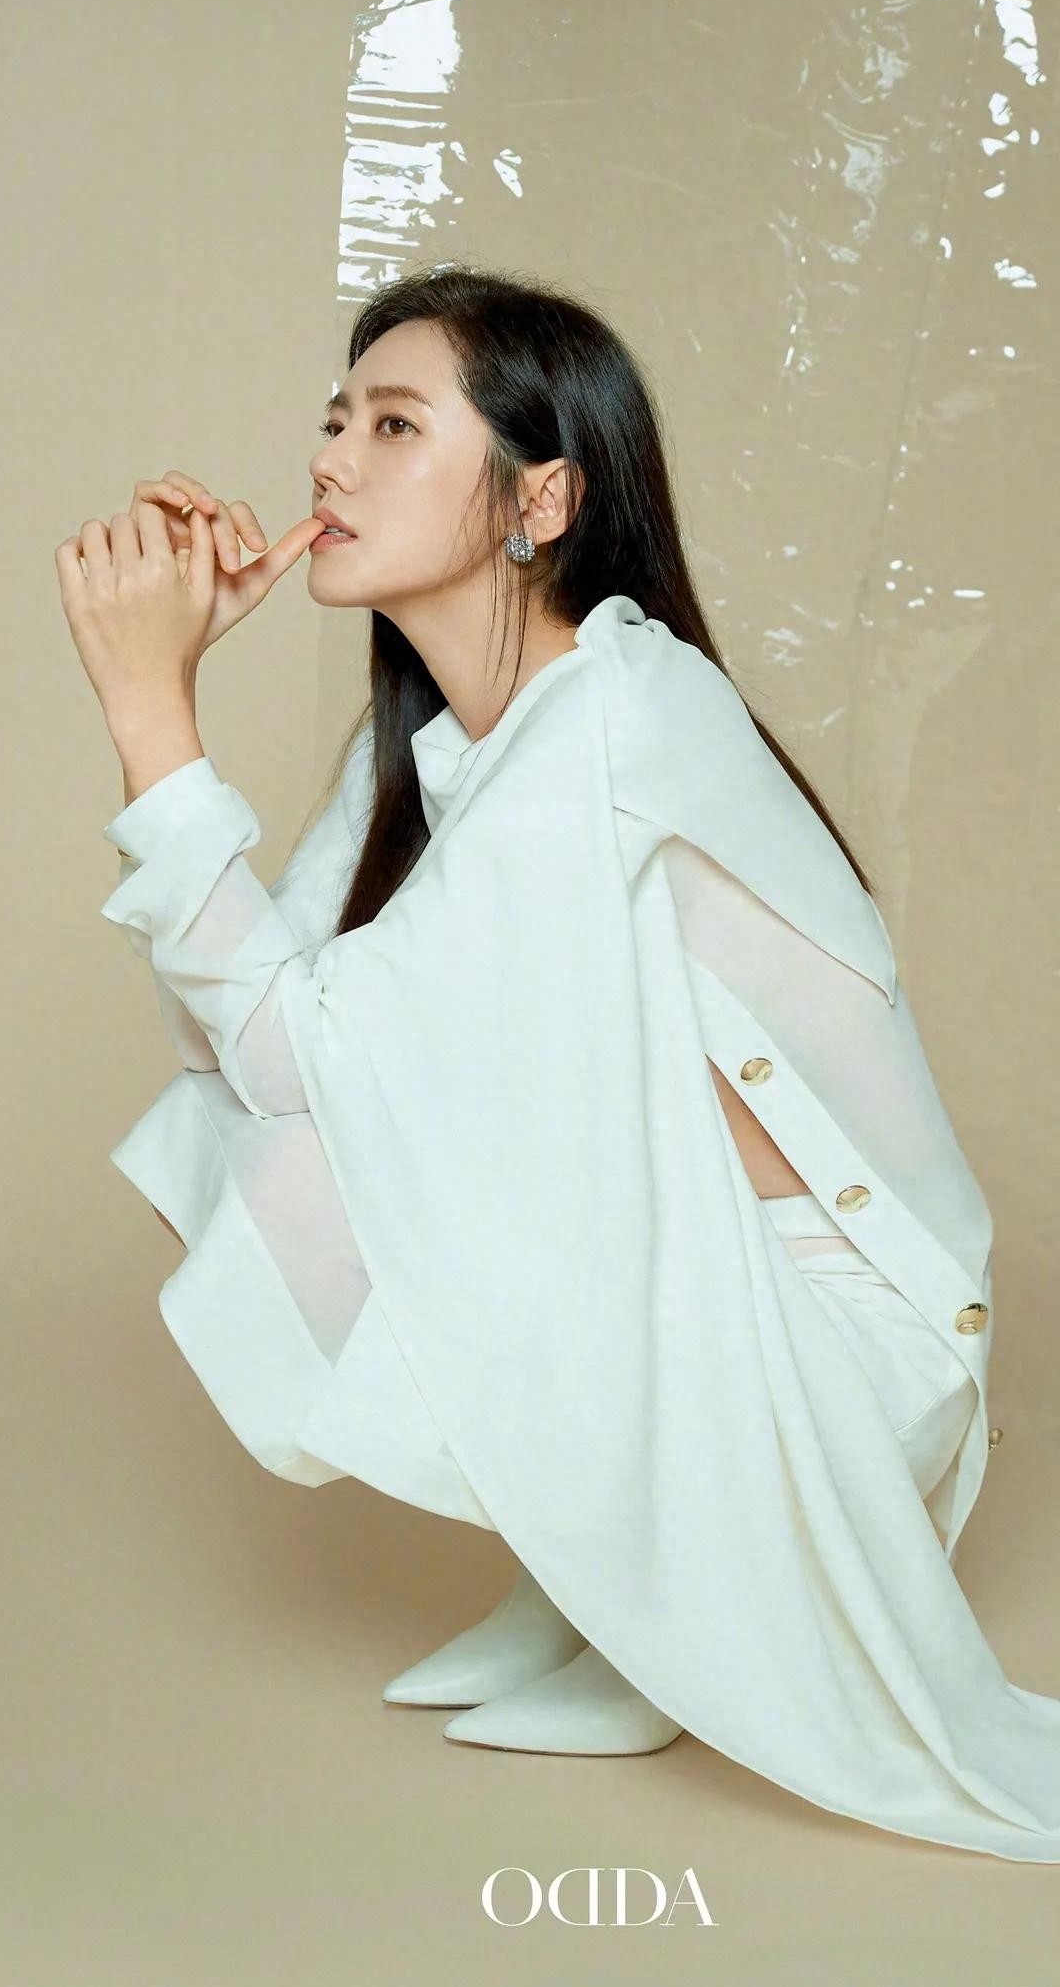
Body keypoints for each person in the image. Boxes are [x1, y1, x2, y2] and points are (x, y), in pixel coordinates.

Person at [56, 263, 1060, 1861]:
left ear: (542, 499)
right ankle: (613, 1573)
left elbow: (290, 1062)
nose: (328, 459)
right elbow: (230, 1045)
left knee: (312, 1148)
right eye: (335, 420)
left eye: (395, 425)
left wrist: (149, 711)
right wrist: (175, 703)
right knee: (250, 1131)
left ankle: (662, 1568)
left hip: (833, 1356)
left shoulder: (615, 714)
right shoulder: (446, 741)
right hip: (691, 1291)